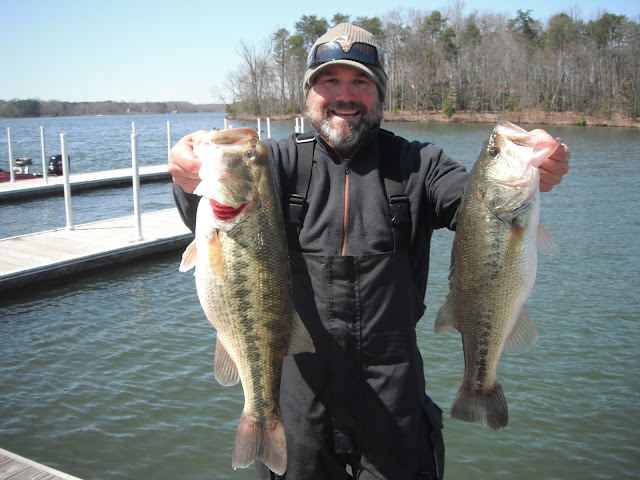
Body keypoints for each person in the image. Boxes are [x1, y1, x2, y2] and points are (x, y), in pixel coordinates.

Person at [169, 23, 570, 480]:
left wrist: (526, 178)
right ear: (309, 93)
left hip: (394, 396)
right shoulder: (274, 162)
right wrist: (187, 179)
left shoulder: (421, 165)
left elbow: (476, 206)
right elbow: (212, 218)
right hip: (298, 396)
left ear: (379, 93)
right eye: (329, 81)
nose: (345, 95)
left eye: (360, 82)